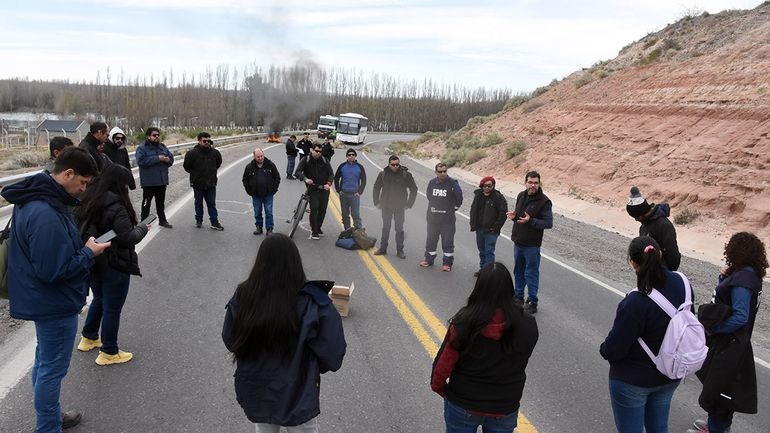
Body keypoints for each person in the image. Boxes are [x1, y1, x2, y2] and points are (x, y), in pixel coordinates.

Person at [0, 147, 107, 433]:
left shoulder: (36, 197)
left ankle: (52, 416)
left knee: (45, 360)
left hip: (41, 298)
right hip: (53, 302)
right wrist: (88, 252)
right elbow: (53, 271)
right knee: (52, 368)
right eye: (82, 182)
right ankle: (48, 426)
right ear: (67, 173)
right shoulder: (45, 212)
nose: (84, 189)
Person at [222, 233, 346, 433]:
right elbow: (333, 353)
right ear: (296, 263)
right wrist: (311, 366)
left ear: (260, 262)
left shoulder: (243, 295)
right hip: (298, 392)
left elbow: (230, 339)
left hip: (257, 389)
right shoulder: (313, 302)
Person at [431, 262, 538, 433]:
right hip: (504, 405)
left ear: (478, 289)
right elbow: (523, 356)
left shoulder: (463, 324)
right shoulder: (528, 324)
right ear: (509, 289)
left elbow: (442, 368)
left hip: (463, 402)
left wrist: (445, 392)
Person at [600, 236, 693, 433]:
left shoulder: (636, 300)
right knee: (659, 428)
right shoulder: (683, 282)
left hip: (633, 381)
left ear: (633, 263)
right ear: (659, 255)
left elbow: (614, 349)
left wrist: (604, 348)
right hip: (670, 374)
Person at [687, 232, 767, 433]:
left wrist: (714, 329)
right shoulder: (749, 274)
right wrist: (723, 278)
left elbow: (740, 316)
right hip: (734, 343)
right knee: (721, 389)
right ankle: (714, 426)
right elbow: (726, 298)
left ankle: (716, 429)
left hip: (729, 345)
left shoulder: (743, 279)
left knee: (720, 393)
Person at [73, 164, 150, 366]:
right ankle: (109, 351)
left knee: (99, 299)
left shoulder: (87, 199)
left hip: (93, 260)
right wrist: (143, 228)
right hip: (115, 263)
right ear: (119, 184)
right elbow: (127, 237)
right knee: (112, 308)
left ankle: (89, 337)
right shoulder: (116, 206)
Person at [508, 171, 553, 314]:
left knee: (531, 273)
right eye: (530, 182)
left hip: (532, 245)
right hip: (519, 241)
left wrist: (531, 221)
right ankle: (519, 296)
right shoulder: (521, 196)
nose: (533, 185)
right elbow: (520, 216)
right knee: (518, 270)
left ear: (539, 184)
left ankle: (532, 301)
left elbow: (548, 223)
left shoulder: (544, 202)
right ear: (525, 182)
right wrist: (514, 217)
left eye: (536, 183)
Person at [372, 155, 417, 259]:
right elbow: (376, 187)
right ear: (389, 164)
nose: (395, 166)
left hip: (400, 207)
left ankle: (400, 250)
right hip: (386, 206)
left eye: (397, 164)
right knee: (386, 227)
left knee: (399, 229)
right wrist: (377, 202)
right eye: (393, 164)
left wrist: (409, 204)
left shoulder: (406, 175)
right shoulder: (383, 174)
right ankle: (383, 248)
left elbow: (414, 189)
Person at [626, 186, 681, 271]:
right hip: (649, 274)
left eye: (637, 217)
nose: (636, 220)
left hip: (662, 274)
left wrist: (666, 274)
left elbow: (673, 256)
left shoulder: (664, 225)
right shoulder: (644, 226)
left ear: (642, 213)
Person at [420, 163, 463, 271]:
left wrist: (453, 209)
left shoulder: (453, 184)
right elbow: (429, 195)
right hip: (433, 219)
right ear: (436, 172)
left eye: (444, 171)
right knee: (431, 240)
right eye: (440, 171)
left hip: (447, 221)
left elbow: (459, 198)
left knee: (447, 242)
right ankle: (428, 259)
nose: (443, 173)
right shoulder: (432, 183)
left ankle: (447, 263)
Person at [183, 132, 224, 230]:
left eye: (208, 141)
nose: (207, 143)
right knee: (198, 203)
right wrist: (195, 175)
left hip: (211, 183)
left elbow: (218, 163)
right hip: (197, 183)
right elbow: (187, 166)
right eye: (204, 141)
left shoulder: (215, 152)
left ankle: (214, 222)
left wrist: (211, 172)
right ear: (199, 141)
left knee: (211, 204)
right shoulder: (192, 153)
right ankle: (199, 220)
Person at [136, 127, 174, 228]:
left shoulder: (162, 147)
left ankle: (162, 220)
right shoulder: (142, 148)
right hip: (149, 182)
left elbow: (171, 159)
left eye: (158, 135)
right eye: (154, 135)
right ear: (148, 136)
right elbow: (141, 162)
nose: (157, 137)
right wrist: (157, 158)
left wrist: (167, 160)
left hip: (162, 180)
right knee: (146, 203)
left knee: (160, 203)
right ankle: (144, 223)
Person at [469, 176, 507, 275]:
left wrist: (495, 228)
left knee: (489, 251)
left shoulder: (498, 198)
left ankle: (489, 273)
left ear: (493, 186)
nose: (487, 188)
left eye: (489, 185)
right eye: (485, 186)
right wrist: (473, 224)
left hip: (491, 231)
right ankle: (483, 269)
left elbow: (503, 214)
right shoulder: (478, 196)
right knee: (482, 251)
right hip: (479, 229)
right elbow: (473, 210)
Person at [294, 144, 333, 240]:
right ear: (312, 150)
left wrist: (329, 183)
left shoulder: (325, 160)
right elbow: (297, 172)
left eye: (320, 151)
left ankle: (318, 227)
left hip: (324, 188)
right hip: (312, 189)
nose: (318, 153)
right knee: (314, 209)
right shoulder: (306, 159)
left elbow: (331, 174)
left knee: (323, 210)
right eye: (316, 151)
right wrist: (305, 179)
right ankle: (314, 231)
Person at [242, 148, 281, 235]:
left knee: (269, 212)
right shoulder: (249, 167)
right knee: (257, 212)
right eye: (258, 157)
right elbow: (245, 179)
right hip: (256, 195)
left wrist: (274, 189)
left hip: (268, 194)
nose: (260, 158)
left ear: (263, 154)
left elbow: (277, 177)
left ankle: (269, 228)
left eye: (261, 156)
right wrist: (249, 191)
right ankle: (259, 227)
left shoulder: (270, 164)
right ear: (254, 157)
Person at [333, 148, 366, 230]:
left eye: (353, 155)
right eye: (349, 155)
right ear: (347, 156)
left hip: (355, 195)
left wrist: (360, 192)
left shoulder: (360, 167)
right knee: (345, 214)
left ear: (355, 156)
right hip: (344, 194)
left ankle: (358, 231)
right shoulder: (342, 166)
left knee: (355, 214)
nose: (351, 156)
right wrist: (338, 190)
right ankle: (347, 230)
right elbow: (336, 178)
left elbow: (364, 180)